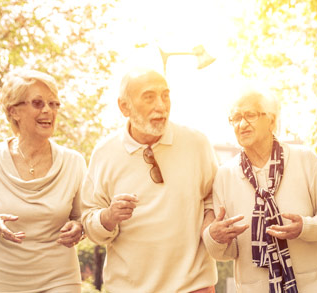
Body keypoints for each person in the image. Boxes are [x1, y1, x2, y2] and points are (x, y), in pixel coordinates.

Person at [80, 68, 218, 292]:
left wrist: (211, 224)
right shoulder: (104, 153)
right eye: (149, 96)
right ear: (124, 106)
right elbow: (89, 221)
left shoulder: (197, 144)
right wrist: (109, 216)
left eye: (165, 95)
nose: (161, 106)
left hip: (193, 286)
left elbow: (214, 198)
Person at [204, 88, 317, 292]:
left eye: (250, 115)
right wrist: (216, 238)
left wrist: (304, 227)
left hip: (310, 285)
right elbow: (228, 252)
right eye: (235, 118)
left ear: (271, 120)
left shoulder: (304, 160)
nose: (242, 124)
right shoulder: (225, 175)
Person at [0, 69, 85, 292]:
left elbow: (82, 218)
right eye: (38, 103)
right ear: (13, 111)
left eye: (53, 104)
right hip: (2, 279)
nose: (48, 110)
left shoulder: (73, 162)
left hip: (60, 277)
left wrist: (79, 227)